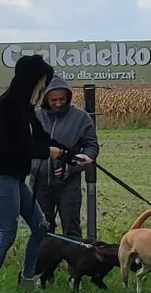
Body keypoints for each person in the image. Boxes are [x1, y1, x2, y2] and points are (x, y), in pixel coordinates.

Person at [0, 54, 67, 293]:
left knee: (40, 227)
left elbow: (39, 137)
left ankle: (27, 282)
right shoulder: (7, 105)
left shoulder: (25, 106)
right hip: (2, 176)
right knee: (7, 235)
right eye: (43, 81)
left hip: (16, 178)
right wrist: (46, 152)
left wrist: (64, 150)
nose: (44, 87)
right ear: (33, 80)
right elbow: (15, 146)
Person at [29, 74, 99, 238]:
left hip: (69, 184)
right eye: (54, 100)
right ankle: (44, 262)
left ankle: (75, 263)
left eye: (62, 99)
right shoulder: (34, 117)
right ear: (45, 99)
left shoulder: (81, 118)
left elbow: (91, 147)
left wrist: (72, 167)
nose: (58, 103)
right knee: (42, 228)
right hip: (40, 184)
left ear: (68, 97)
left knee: (71, 228)